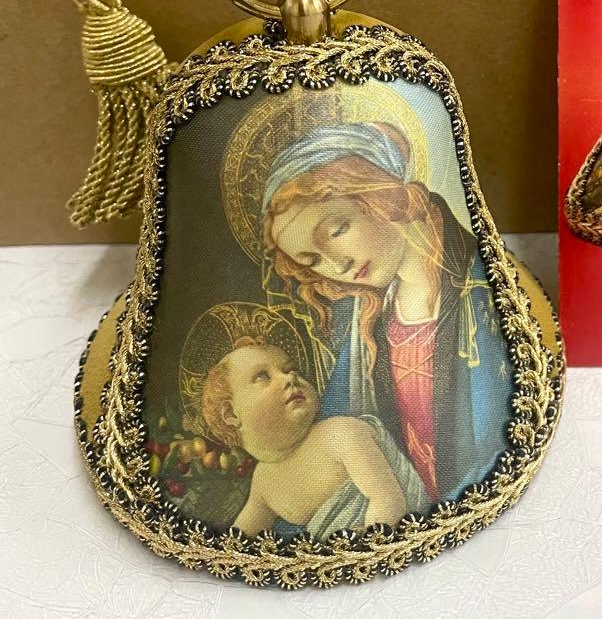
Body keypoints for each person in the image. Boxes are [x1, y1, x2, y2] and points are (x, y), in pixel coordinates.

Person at [261, 121, 512, 508]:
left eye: (337, 229)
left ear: (380, 195)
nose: (338, 265)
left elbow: (495, 433)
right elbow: (339, 421)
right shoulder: (366, 322)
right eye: (313, 261)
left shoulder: (476, 285)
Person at [199, 336, 426, 537]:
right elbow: (240, 538)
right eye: (262, 376)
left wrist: (361, 549)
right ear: (231, 414)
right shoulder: (264, 480)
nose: (290, 378)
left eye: (291, 370)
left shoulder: (340, 434)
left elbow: (389, 501)